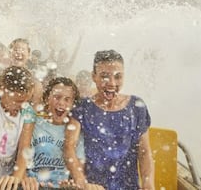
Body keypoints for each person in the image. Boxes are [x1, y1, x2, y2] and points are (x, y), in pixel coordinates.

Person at [64, 50, 155, 190]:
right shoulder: (82, 107)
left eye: (118, 77)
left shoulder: (137, 107)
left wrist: (148, 184)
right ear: (94, 77)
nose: (112, 83)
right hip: (92, 186)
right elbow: (69, 148)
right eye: (104, 76)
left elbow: (144, 152)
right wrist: (81, 182)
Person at [27, 77, 104, 189]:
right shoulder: (34, 124)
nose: (61, 103)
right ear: (47, 98)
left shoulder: (74, 132)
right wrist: (25, 179)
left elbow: (78, 169)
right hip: (33, 186)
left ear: (73, 105)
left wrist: (71, 184)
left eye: (67, 99)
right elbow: (21, 158)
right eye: (57, 97)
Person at [8, 38, 43, 112]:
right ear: (9, 53)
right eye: (16, 50)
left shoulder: (35, 84)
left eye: (23, 50)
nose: (19, 53)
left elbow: (34, 113)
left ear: (28, 54)